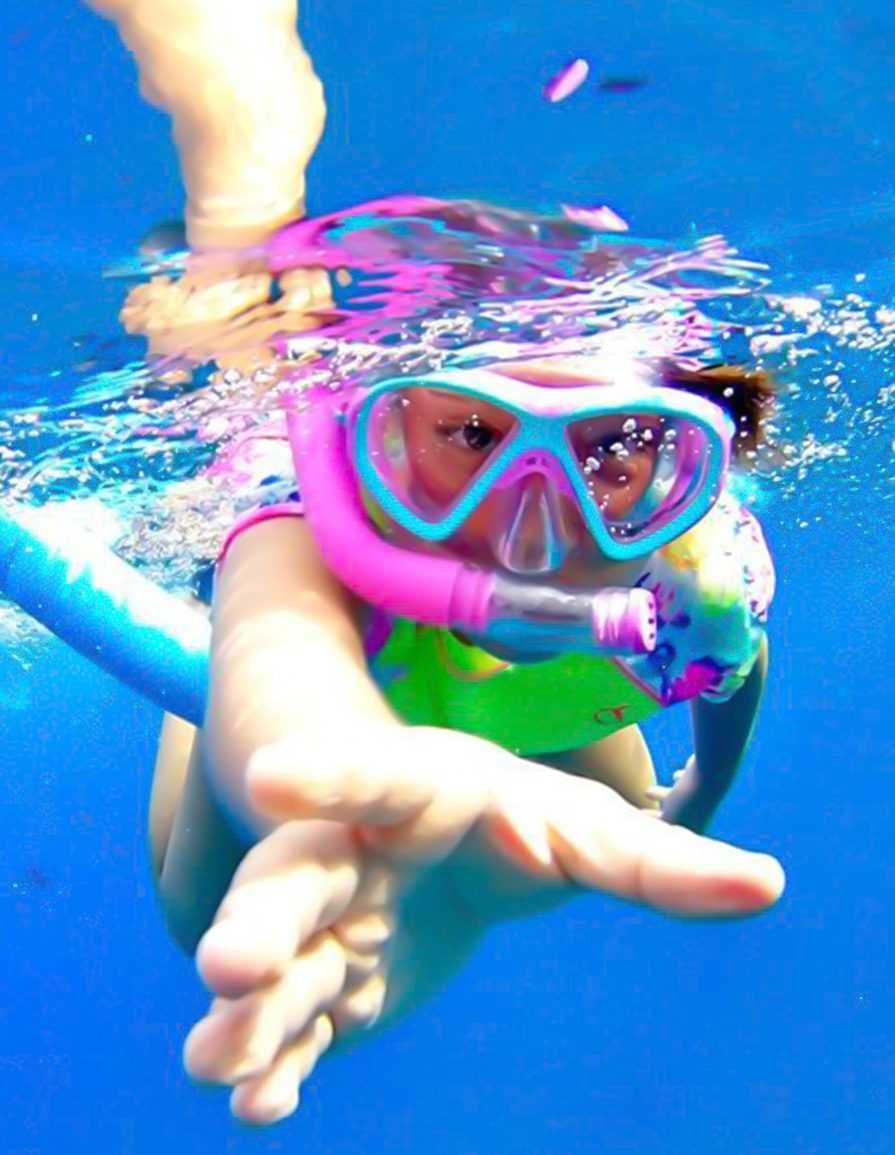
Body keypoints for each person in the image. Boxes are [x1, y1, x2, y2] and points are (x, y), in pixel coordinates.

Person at [89, 0, 785, 1127]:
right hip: (361, 667)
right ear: (382, 434)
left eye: (609, 454)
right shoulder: (307, 526)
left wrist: (701, 793)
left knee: (574, 836)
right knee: (204, 903)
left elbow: (732, 674)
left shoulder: (694, 577)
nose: (533, 529)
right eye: (471, 437)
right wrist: (320, 758)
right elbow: (284, 671)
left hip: (516, 715)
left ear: (680, 466)